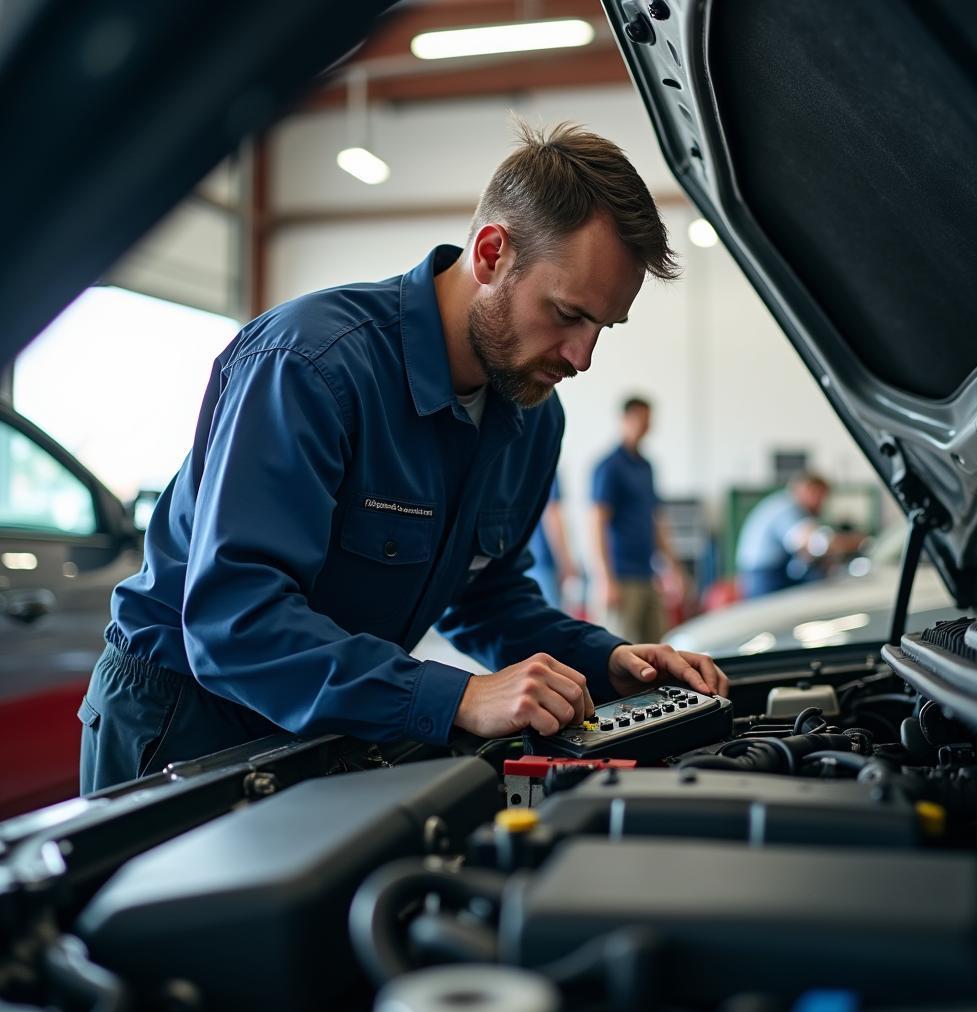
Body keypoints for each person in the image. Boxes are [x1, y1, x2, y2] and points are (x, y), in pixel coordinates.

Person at [79, 122, 728, 793]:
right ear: (490, 253)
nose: (582, 357)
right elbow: (235, 622)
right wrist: (458, 698)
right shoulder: (311, 366)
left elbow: (486, 597)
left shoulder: (532, 412)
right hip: (187, 723)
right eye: (567, 313)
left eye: (602, 327)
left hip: (332, 719)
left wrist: (608, 658)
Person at [590, 397, 685, 644]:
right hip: (620, 577)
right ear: (625, 420)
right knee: (621, 649)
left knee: (657, 647)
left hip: (647, 574)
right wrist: (604, 578)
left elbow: (656, 520)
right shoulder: (609, 467)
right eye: (639, 419)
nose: (645, 426)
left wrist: (673, 567)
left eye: (648, 420)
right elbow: (596, 523)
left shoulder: (646, 467)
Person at [735, 473, 864, 598]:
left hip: (767, 574)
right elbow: (813, 542)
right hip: (766, 577)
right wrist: (856, 542)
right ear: (810, 490)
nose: (822, 504)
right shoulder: (786, 508)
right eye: (821, 496)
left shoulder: (786, 504)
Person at [524, 476, 578, 610]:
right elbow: (551, 515)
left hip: (525, 558)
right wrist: (565, 562)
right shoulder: (547, 467)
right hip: (545, 562)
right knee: (549, 614)